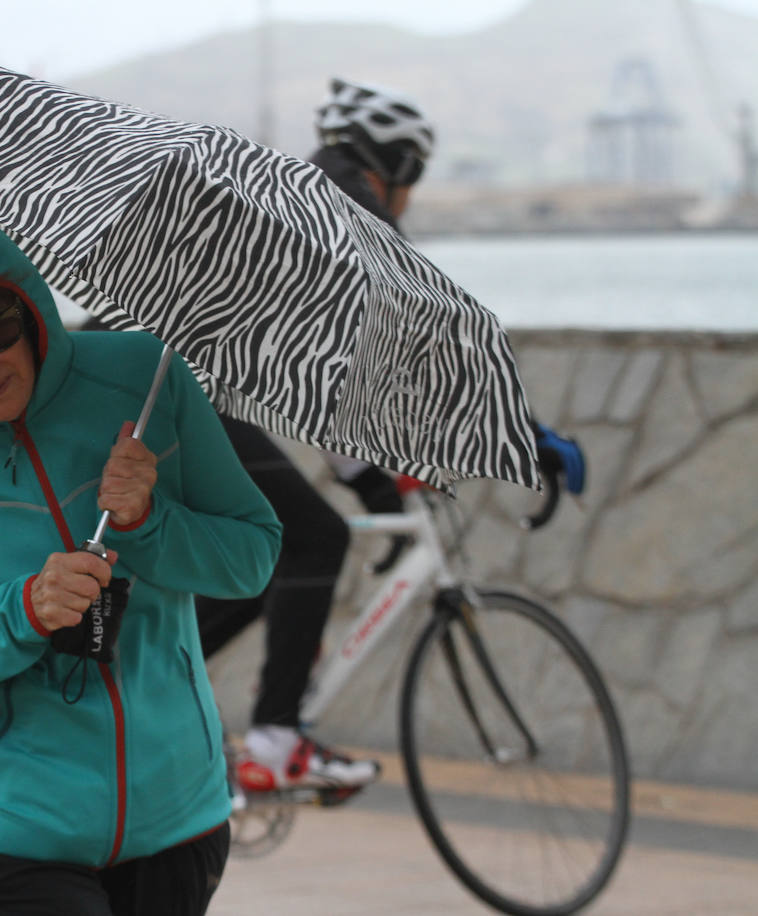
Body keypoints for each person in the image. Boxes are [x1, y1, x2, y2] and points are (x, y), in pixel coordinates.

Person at [0, 191, 282, 915]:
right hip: (0, 838)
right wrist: (20, 614)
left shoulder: (145, 380)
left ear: (31, 308)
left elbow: (252, 559)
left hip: (177, 817)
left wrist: (148, 520)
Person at [197, 77, 585, 797]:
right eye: (415, 172)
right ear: (397, 163)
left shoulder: (308, 201)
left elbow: (334, 380)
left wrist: (375, 479)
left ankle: (148, 691)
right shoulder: (351, 205)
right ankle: (277, 745)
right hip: (172, 391)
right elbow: (433, 334)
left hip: (159, 383)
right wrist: (526, 438)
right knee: (307, 540)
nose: (411, 192)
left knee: (264, 554)